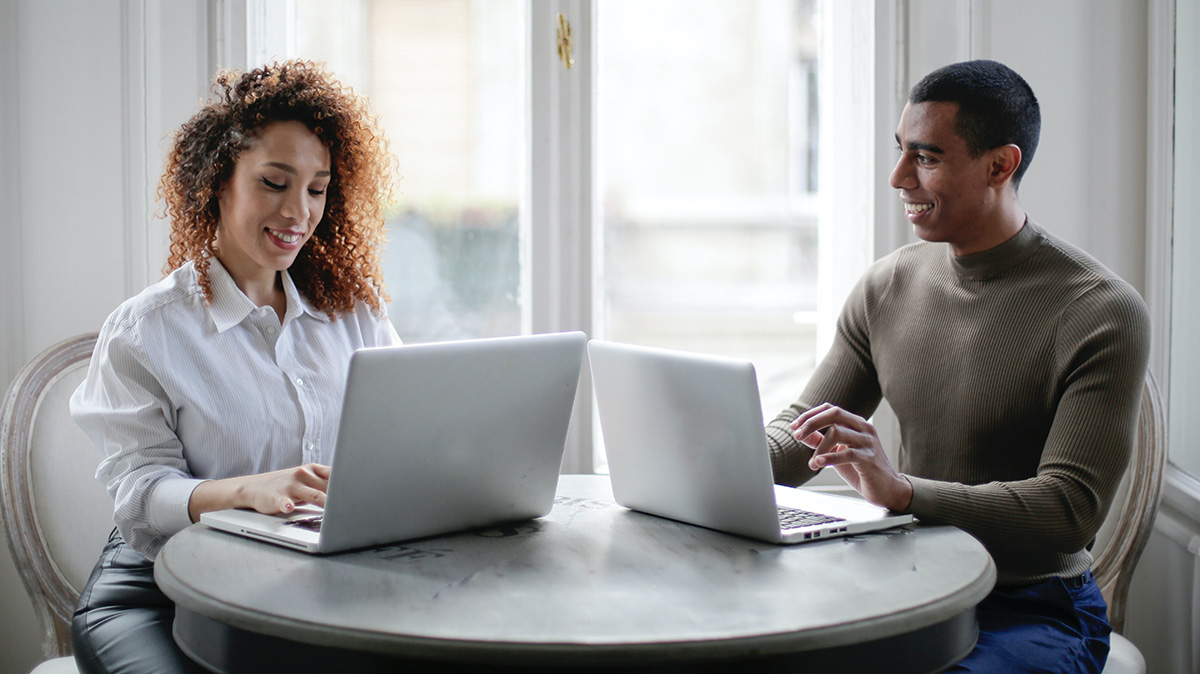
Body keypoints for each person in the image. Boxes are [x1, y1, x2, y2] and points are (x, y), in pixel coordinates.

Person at [764, 60, 1149, 673]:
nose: (898, 177)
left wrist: (905, 493)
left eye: (926, 157)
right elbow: (803, 426)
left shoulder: (1100, 310)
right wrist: (712, 462)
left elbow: (1068, 512)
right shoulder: (886, 285)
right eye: (900, 151)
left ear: (1000, 165)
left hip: (1034, 605)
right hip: (910, 582)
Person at [69, 59, 400, 673]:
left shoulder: (355, 314)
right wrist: (249, 491)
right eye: (275, 182)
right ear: (219, 182)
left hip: (309, 585)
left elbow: (407, 435)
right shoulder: (148, 329)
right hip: (157, 591)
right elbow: (141, 495)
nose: (299, 211)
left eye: (317, 188)